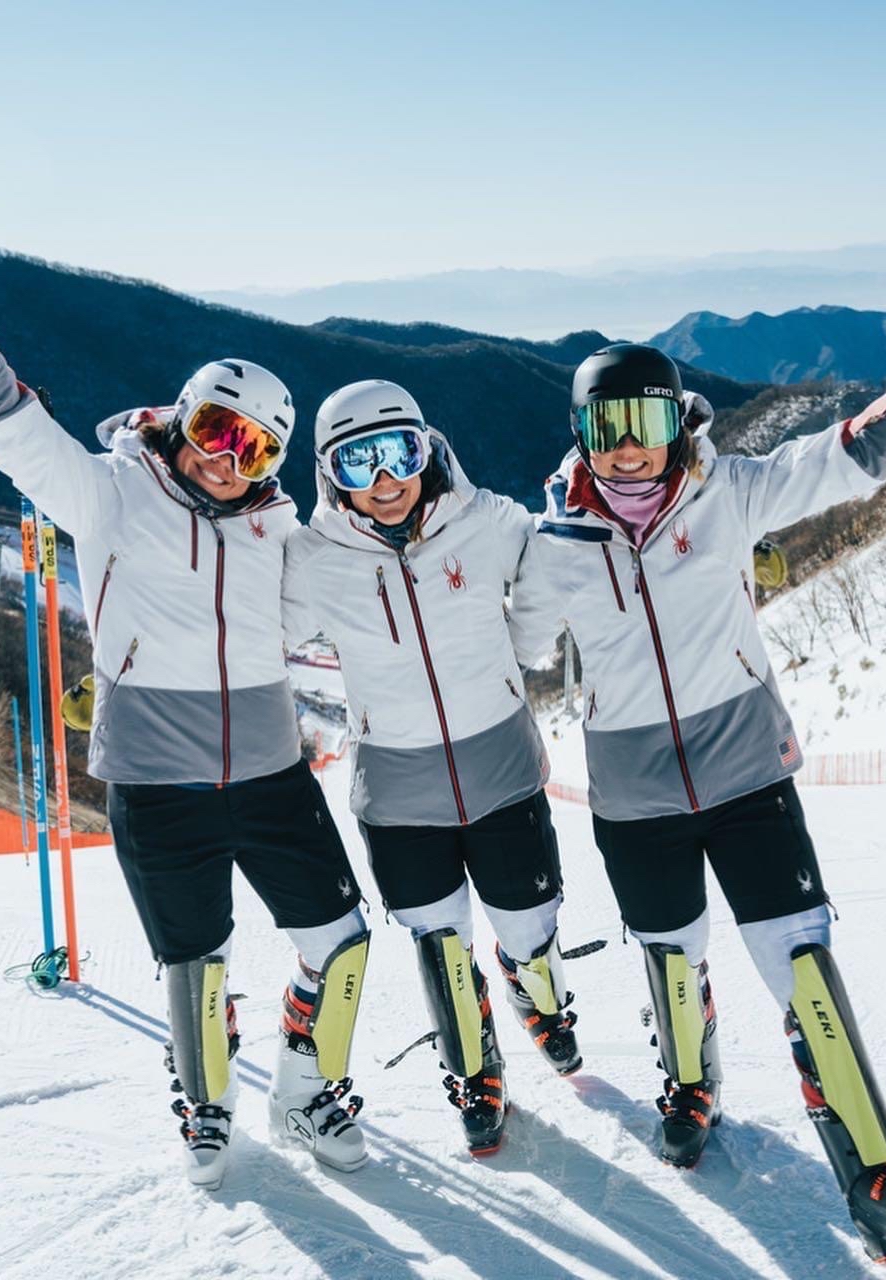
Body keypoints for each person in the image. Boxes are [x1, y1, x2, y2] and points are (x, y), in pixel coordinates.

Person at [509, 267, 886, 1262]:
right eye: (605, 425)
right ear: (580, 435)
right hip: (632, 795)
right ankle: (688, 1084)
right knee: (671, 956)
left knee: (801, 961)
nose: (627, 443)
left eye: (641, 416)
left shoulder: (728, 494)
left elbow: (855, 453)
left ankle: (874, 1166)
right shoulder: (555, 542)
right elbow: (505, 641)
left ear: (675, 418)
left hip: (745, 773)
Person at [0, 152, 373, 1189]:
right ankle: (203, 1096)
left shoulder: (279, 532)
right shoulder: (109, 493)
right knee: (193, 967)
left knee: (341, 941)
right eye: (213, 429)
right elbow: (1, 418)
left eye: (253, 447)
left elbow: (380, 590)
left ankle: (300, 1080)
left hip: (275, 775)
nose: (226, 457)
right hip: (159, 782)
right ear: (180, 418)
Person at [282, 380, 584, 1155]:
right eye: (359, 462)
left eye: (399, 453)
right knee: (439, 942)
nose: (385, 481)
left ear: (428, 447)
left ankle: (534, 993)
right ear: (328, 474)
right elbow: (239, 619)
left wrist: (527, 649)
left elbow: (561, 553)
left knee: (528, 927)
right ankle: (474, 1070)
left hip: (502, 770)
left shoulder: (484, 522)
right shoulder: (315, 561)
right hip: (398, 787)